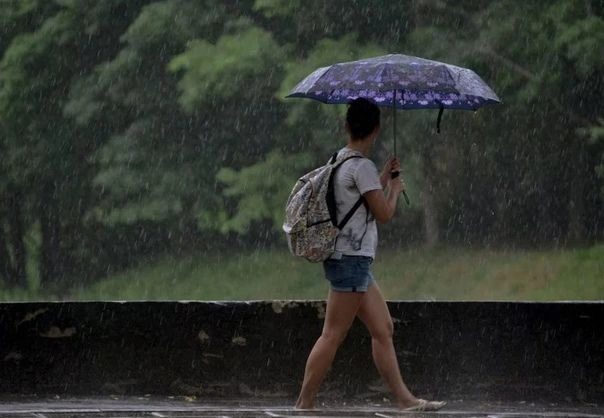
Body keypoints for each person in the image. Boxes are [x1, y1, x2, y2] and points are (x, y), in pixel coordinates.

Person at [295, 98, 446, 412]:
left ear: (347, 126)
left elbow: (357, 201)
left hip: (352, 260)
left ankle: (404, 400)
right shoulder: (360, 167)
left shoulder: (340, 159)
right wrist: (394, 189)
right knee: (333, 334)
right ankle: (303, 403)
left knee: (383, 329)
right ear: (376, 129)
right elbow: (384, 213)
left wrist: (382, 177)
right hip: (350, 261)